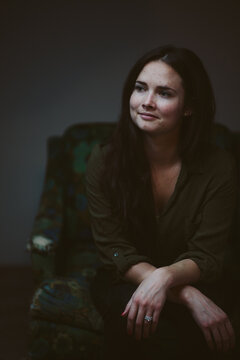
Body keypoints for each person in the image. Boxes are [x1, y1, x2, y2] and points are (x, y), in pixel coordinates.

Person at [86, 45, 238, 360]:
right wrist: (185, 294)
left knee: (202, 334)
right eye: (140, 88)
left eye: (165, 93)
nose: (147, 102)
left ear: (189, 107)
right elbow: (113, 249)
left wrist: (166, 278)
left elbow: (207, 255)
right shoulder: (103, 160)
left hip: (198, 275)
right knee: (136, 322)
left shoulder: (219, 166)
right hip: (124, 277)